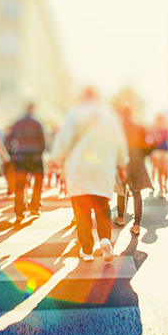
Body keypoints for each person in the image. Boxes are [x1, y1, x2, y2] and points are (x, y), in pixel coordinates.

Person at [50, 87, 129, 262]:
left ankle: (86, 250)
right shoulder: (109, 116)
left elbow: (63, 142)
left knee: (82, 213)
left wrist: (54, 159)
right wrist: (122, 165)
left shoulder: (74, 114)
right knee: (102, 208)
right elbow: (120, 143)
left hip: (79, 173)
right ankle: (105, 240)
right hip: (103, 171)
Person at [115, 107, 154, 235]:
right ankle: (136, 224)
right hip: (137, 162)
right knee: (136, 192)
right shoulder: (139, 127)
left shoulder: (118, 127)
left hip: (123, 161)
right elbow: (147, 145)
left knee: (121, 190)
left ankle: (121, 217)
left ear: (122, 114)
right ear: (131, 114)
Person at [8, 104, 46, 219]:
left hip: (20, 157)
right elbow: (43, 141)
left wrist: (13, 153)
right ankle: (35, 206)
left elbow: (9, 139)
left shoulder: (17, 123)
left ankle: (19, 211)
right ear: (33, 110)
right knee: (38, 181)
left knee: (20, 185)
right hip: (35, 157)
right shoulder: (37, 123)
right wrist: (39, 152)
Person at [150, 114, 168, 198]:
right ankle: (161, 189)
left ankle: (165, 184)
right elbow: (151, 142)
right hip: (157, 152)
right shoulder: (154, 130)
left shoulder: (166, 130)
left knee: (166, 170)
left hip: (166, 151)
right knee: (159, 170)